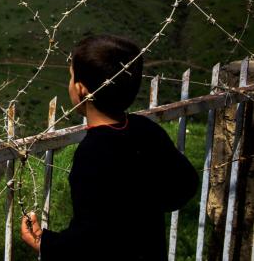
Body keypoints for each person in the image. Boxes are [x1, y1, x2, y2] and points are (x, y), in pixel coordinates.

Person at [20, 34, 198, 261]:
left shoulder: (92, 153)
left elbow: (88, 243)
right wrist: (142, 207)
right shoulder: (145, 130)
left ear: (81, 89)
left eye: (71, 75)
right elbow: (185, 184)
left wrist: (43, 242)